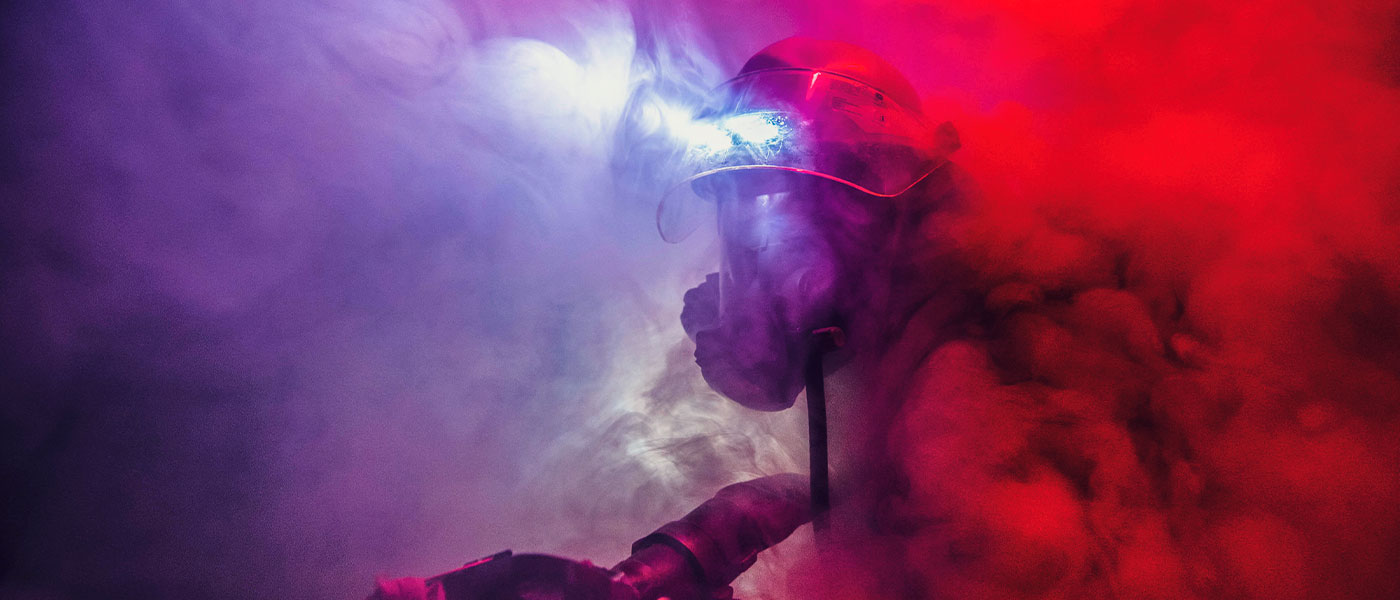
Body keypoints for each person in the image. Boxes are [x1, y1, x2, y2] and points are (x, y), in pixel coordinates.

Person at [371, 36, 975, 600]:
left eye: (804, 214)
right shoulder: (887, 355)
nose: (764, 262)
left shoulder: (989, 359)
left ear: (892, 206)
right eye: (745, 214)